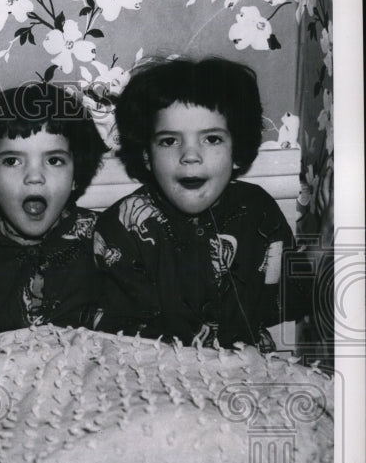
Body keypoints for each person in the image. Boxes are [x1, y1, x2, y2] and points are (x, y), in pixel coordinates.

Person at [93, 57, 298, 350]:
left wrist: (328, 235)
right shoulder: (122, 227)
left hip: (245, 375)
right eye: (168, 141)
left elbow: (288, 296)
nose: (190, 155)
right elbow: (119, 336)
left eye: (212, 139)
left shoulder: (257, 210)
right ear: (147, 156)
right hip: (154, 378)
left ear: (236, 151)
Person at [0, 83, 108, 340]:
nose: (35, 177)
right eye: (12, 161)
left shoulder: (111, 239)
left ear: (75, 176)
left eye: (54, 160)